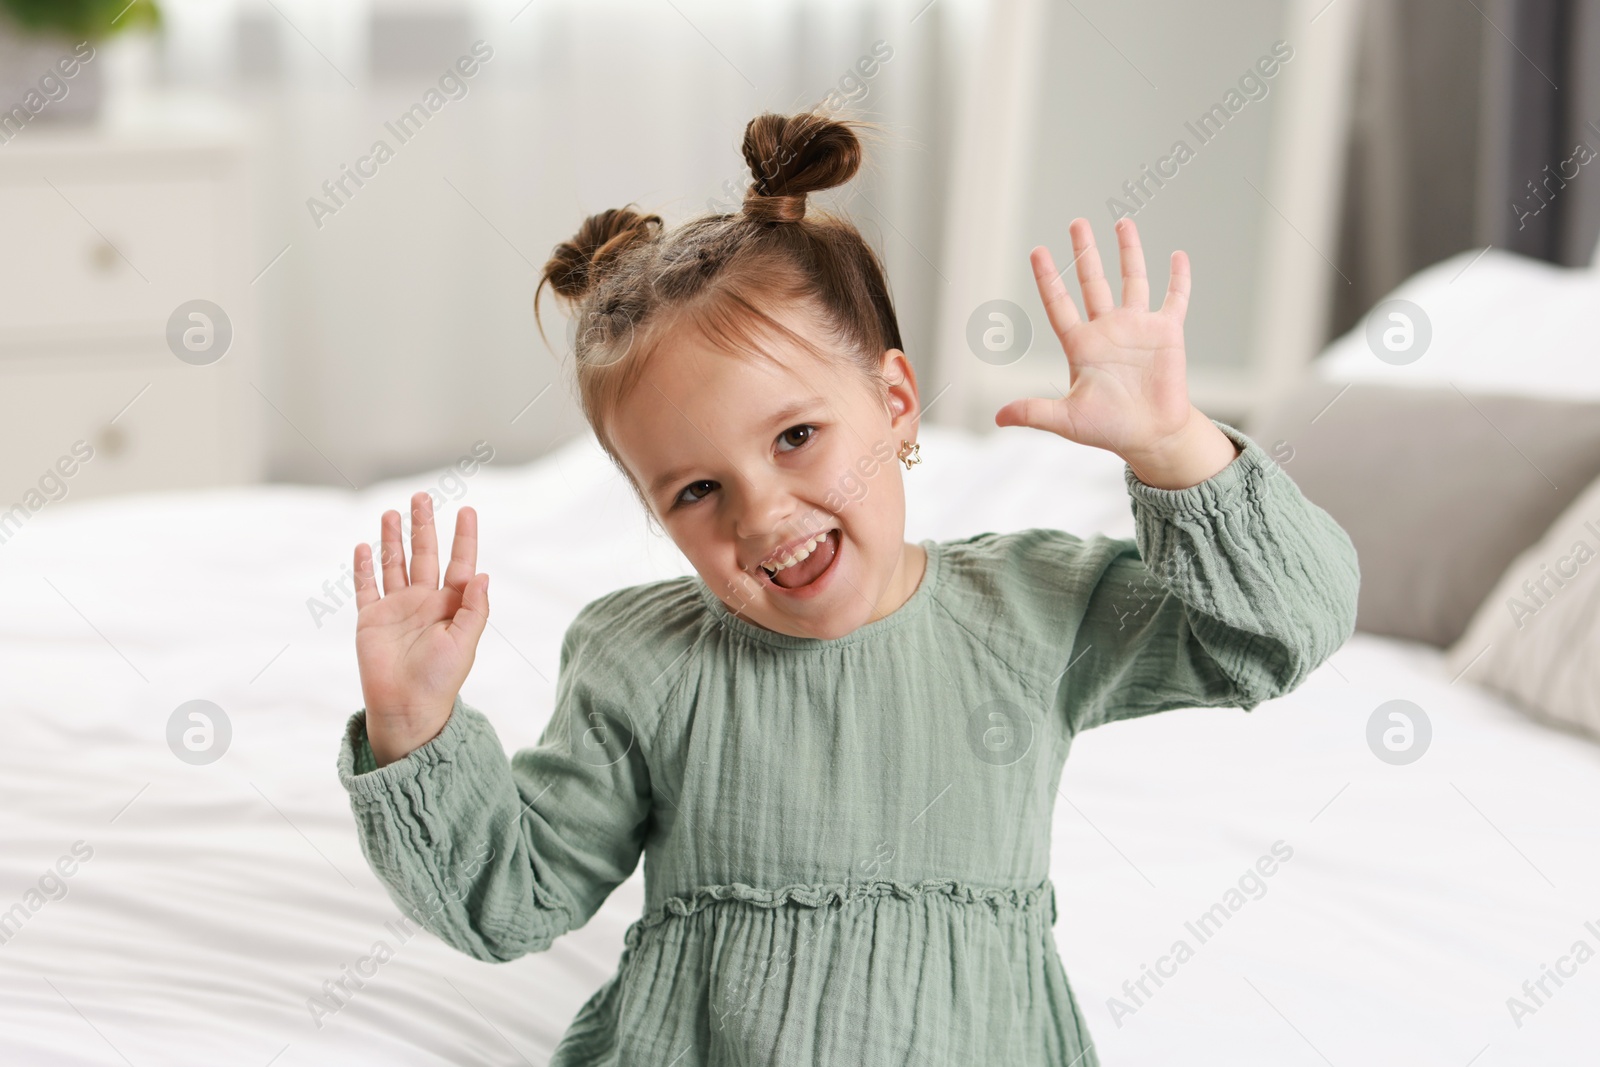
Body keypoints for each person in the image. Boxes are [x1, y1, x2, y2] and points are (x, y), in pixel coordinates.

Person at [335, 109, 1359, 1064]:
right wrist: (413, 728)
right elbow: (509, 899)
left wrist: (1173, 444)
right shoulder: (639, 657)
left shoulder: (1029, 607)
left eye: (795, 436)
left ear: (896, 400)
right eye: (696, 490)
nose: (762, 513)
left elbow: (1281, 630)